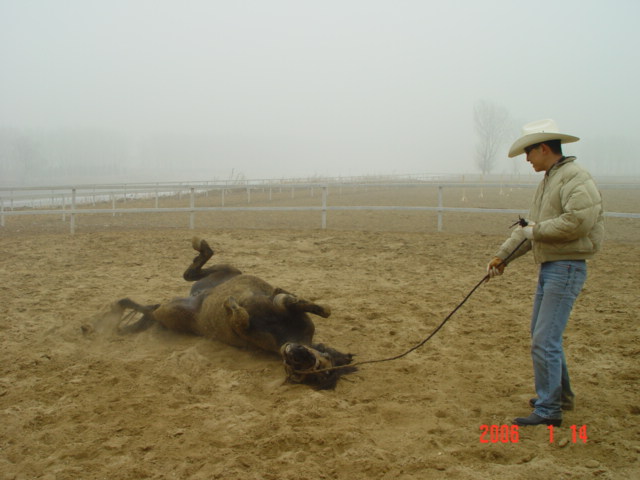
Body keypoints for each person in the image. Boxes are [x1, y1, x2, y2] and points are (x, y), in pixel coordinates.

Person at [486, 119, 604, 427]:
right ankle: (560, 397)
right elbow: (530, 230)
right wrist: (503, 257)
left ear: (543, 148)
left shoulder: (574, 178)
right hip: (553, 265)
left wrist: (536, 232)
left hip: (565, 266)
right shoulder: (552, 180)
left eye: (529, 153)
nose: (527, 159)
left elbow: (578, 221)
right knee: (543, 336)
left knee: (544, 339)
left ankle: (550, 409)